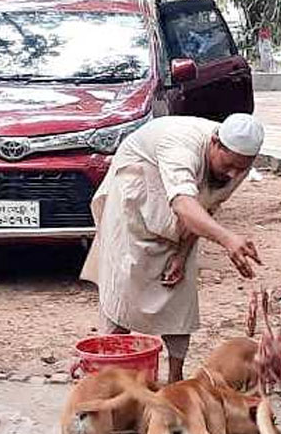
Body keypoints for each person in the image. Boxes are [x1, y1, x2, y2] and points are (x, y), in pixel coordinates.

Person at [81, 114, 265, 383]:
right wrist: (228, 239)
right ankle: (106, 378)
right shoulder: (180, 145)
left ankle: (175, 380)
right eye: (229, 165)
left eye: (242, 168)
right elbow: (182, 203)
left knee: (179, 296)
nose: (233, 174)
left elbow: (206, 205)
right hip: (135, 204)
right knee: (123, 291)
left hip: (183, 223)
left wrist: (182, 254)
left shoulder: (237, 164)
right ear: (215, 143)